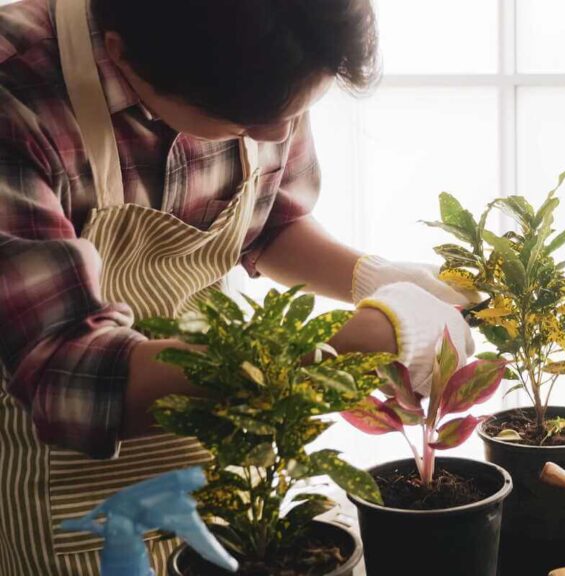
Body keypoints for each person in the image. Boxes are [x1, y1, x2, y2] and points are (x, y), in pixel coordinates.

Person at [0, 0, 475, 573]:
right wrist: (353, 339)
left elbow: (268, 223)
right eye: (244, 120)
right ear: (122, 55)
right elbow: (68, 372)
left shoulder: (266, 47)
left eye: (296, 108)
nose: (279, 132)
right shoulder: (16, 88)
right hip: (78, 490)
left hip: (228, 457)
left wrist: (371, 276)